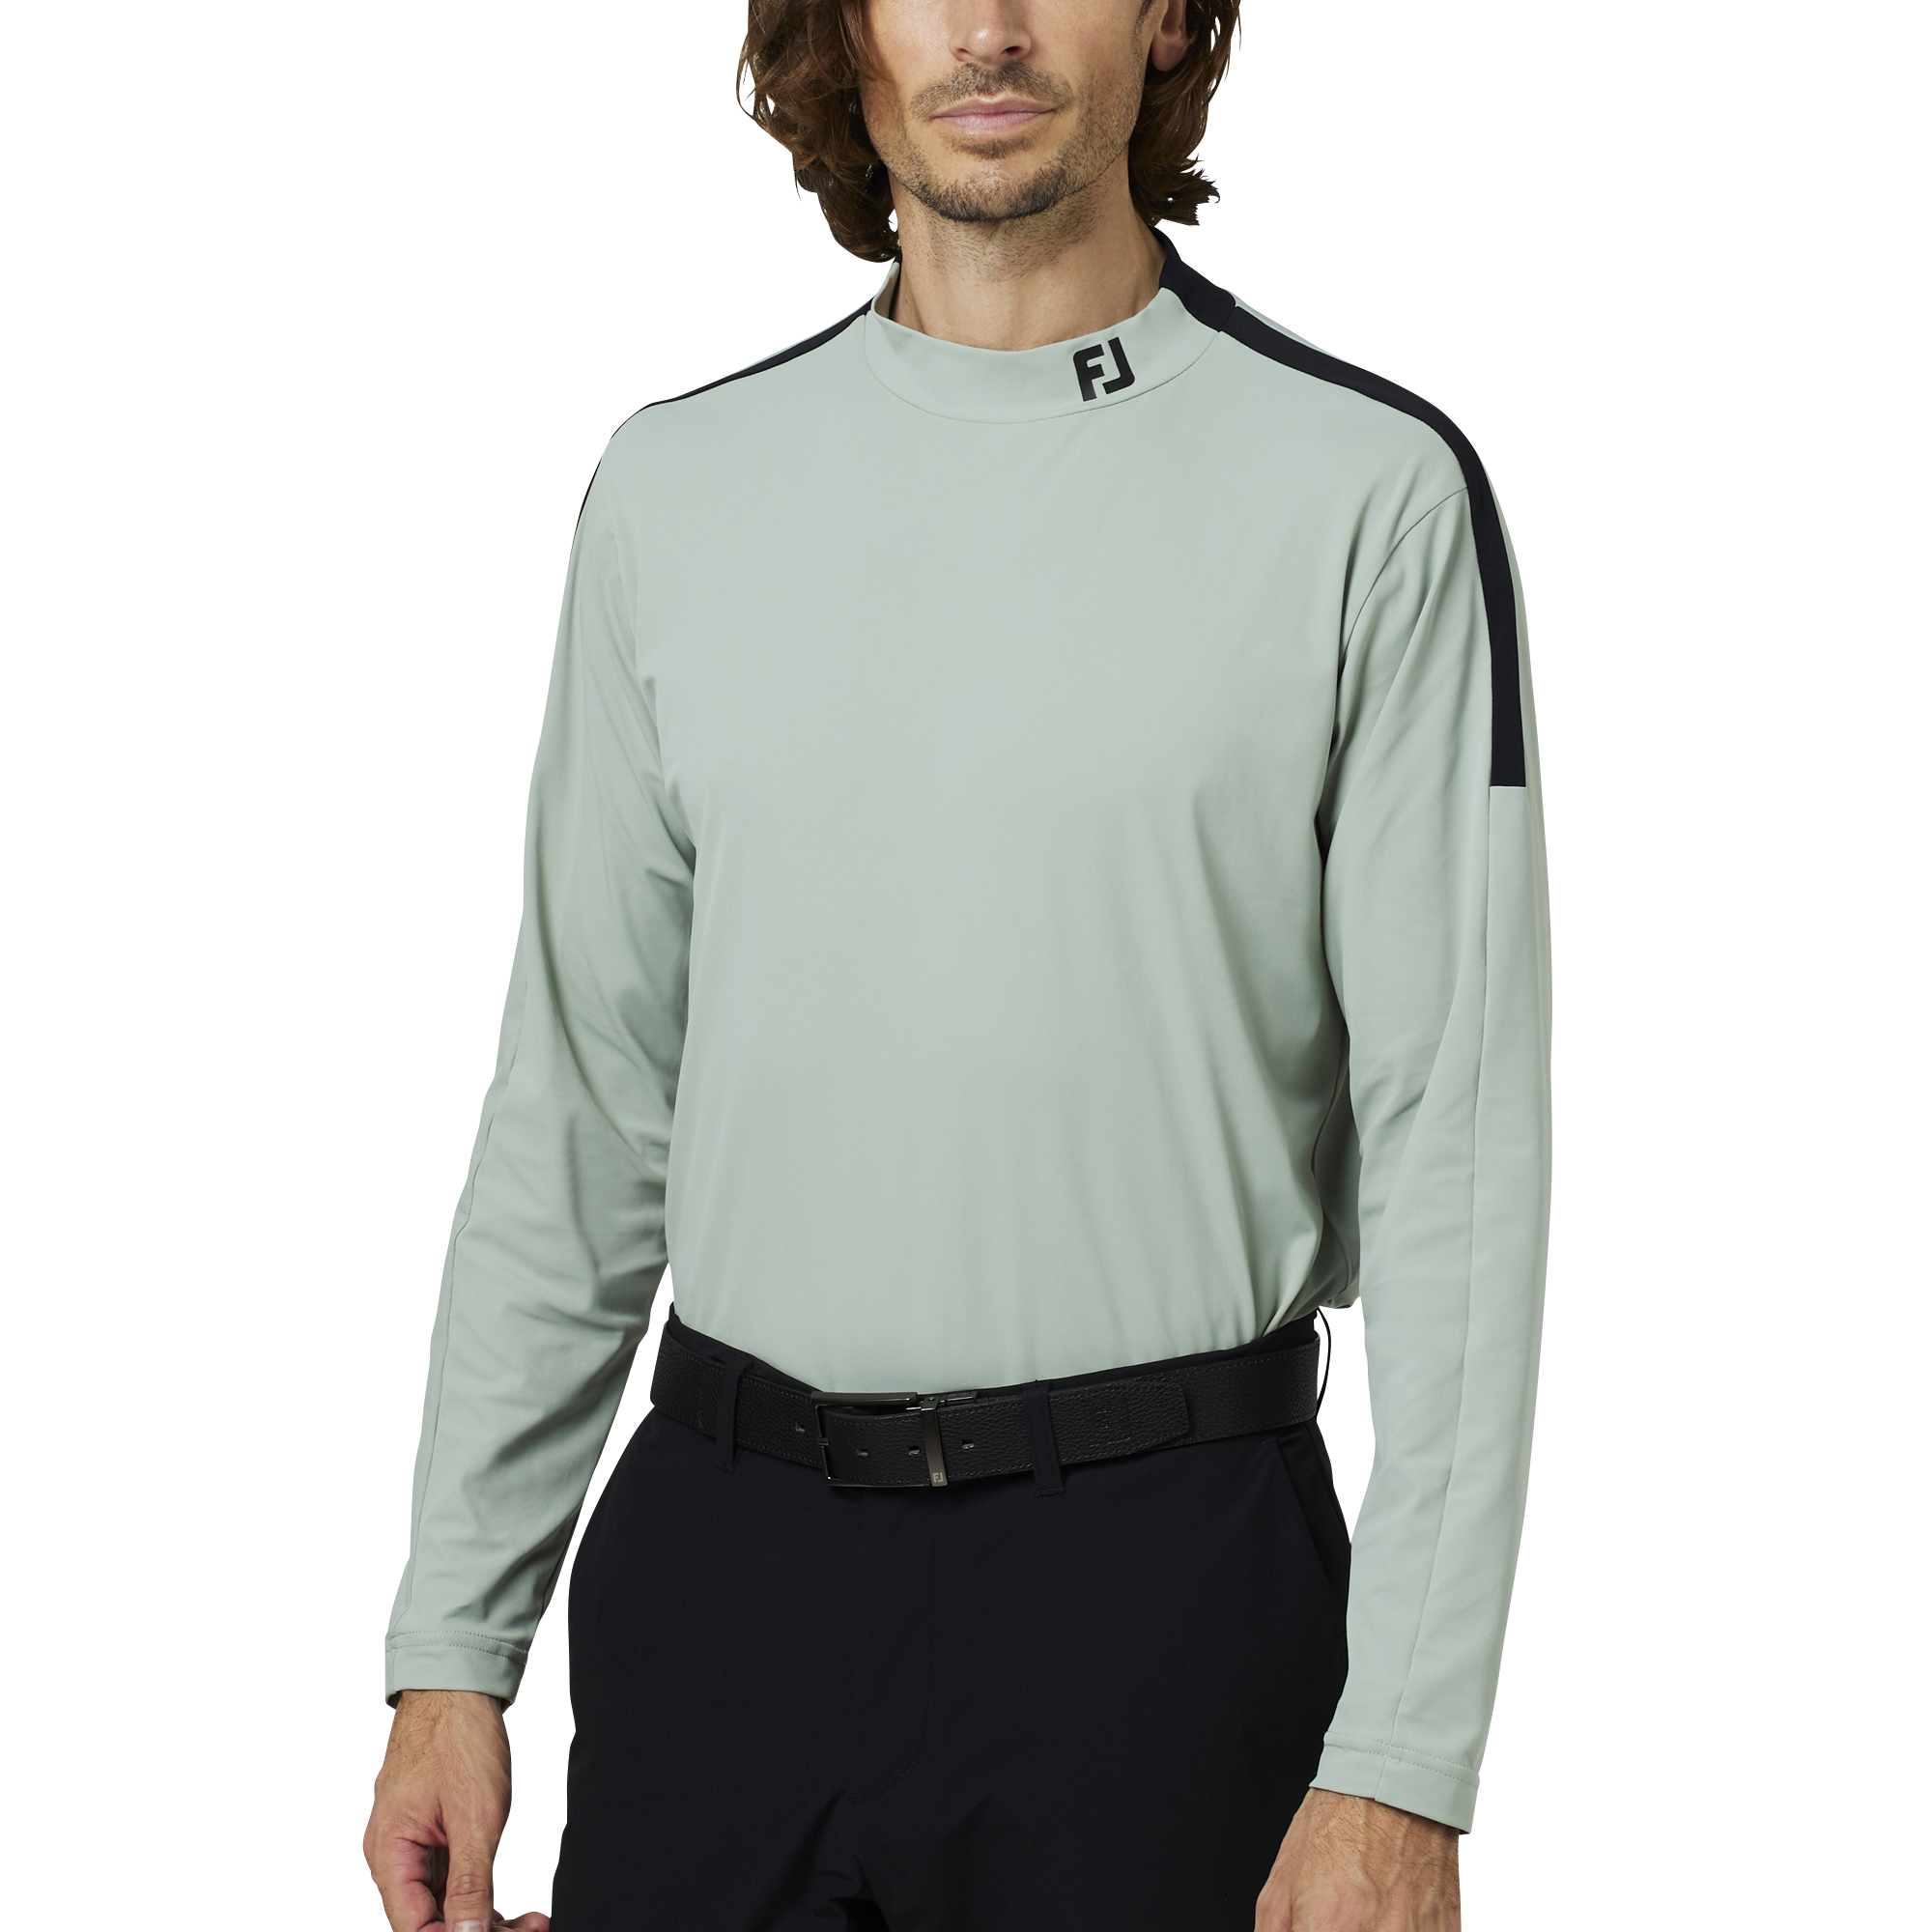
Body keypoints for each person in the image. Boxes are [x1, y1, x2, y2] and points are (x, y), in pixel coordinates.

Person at [363, 0, 1549, 1926]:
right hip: (724, 1577)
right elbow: (576, 1109)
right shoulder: (677, 491)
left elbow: (1460, 1157)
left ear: (1170, 16)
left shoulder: (1367, 492)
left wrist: (1403, 1760)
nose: (987, 28)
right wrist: (452, 1650)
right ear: (836, 30)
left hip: (1158, 1599)